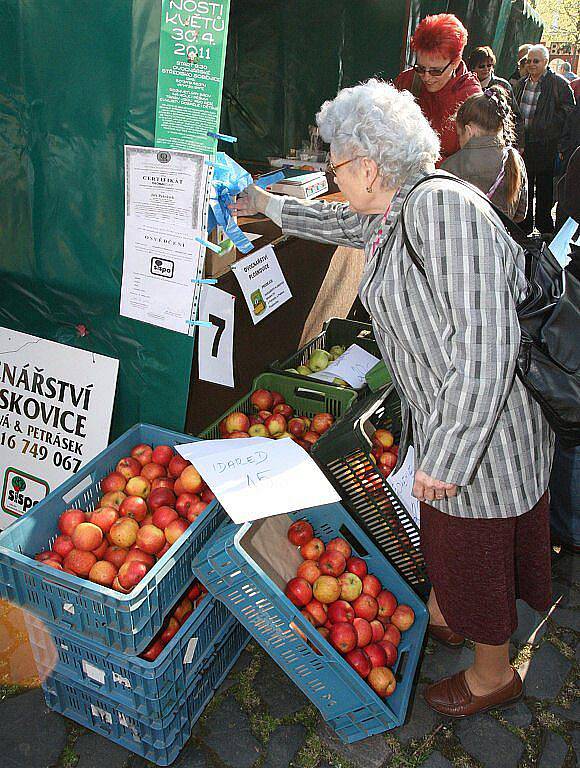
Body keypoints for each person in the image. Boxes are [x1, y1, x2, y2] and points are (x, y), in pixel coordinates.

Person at [233, 79, 554, 718]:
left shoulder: (441, 211)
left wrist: (451, 455)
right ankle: (455, 615)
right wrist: (267, 205)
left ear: (370, 166)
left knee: (475, 550)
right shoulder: (396, 206)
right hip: (451, 418)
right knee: (456, 548)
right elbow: (336, 219)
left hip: (482, 432)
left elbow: (486, 341)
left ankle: (494, 675)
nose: (329, 173)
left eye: (335, 162)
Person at [394, 13, 481, 164]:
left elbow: (472, 163)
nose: (426, 77)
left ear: (455, 62)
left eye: (435, 71)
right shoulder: (407, 80)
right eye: (420, 68)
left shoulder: (471, 99)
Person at [514, 44, 575, 235]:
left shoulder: (558, 84)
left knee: (544, 187)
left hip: (546, 144)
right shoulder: (522, 84)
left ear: (545, 62)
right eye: (528, 61)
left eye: (536, 61)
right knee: (525, 185)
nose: (531, 64)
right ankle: (524, 225)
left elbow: (569, 111)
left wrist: (550, 126)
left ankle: (544, 227)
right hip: (524, 144)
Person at [442, 86, 527, 221]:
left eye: (459, 135)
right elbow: (521, 215)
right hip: (500, 239)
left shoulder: (450, 167)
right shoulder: (514, 159)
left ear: (469, 131)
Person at [467, 45, 523, 144]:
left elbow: (515, 114)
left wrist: (519, 142)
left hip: (497, 139)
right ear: (472, 67)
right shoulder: (467, 85)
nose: (486, 69)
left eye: (489, 65)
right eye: (481, 66)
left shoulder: (502, 85)